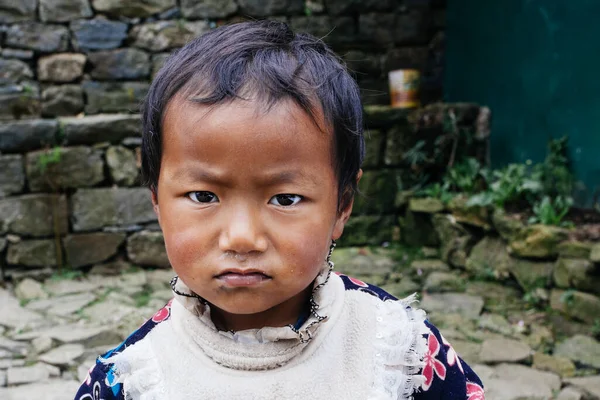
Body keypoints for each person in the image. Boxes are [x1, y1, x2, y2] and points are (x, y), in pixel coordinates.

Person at [74, 20, 484, 400]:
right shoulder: (136, 376)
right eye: (203, 196)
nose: (241, 237)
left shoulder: (395, 347)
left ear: (342, 206)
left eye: (285, 199)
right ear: (157, 201)